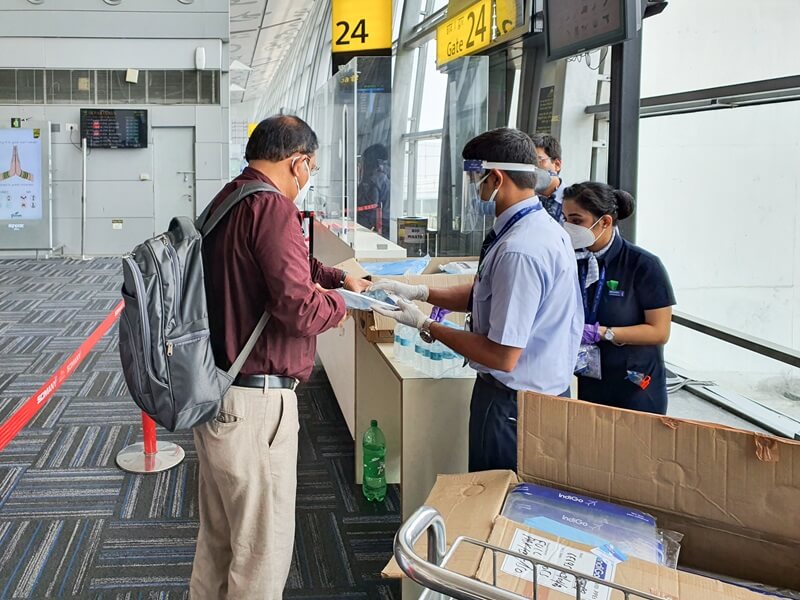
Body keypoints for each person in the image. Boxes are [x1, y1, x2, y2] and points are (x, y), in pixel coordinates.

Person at [192, 115, 370, 599]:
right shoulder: (272, 209)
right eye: (309, 168)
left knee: (219, 543)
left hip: (217, 391)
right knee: (261, 556)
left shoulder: (229, 198)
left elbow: (286, 263)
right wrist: (346, 303)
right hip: (256, 406)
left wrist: (334, 277)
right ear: (300, 162)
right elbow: (297, 307)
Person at [372, 128, 583, 472]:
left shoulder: (520, 250)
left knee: (497, 498)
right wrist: (421, 291)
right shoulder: (538, 229)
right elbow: (488, 292)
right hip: (535, 399)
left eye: (476, 178)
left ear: (496, 177)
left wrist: (427, 325)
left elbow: (502, 355)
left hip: (512, 406)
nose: (475, 188)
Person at [561, 182, 675, 415]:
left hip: (636, 386)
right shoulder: (572, 261)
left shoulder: (643, 265)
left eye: (576, 221)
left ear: (605, 222)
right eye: (564, 219)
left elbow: (659, 331)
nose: (568, 228)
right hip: (591, 381)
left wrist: (603, 332)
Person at [356, 143, 391, 235]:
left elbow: (368, 209)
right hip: (385, 225)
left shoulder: (374, 181)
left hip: (376, 228)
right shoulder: (385, 178)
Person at [531, 134, 566, 222]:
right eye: (527, 162)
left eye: (538, 161)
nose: (532, 167)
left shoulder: (573, 201)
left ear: (557, 164)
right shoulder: (523, 200)